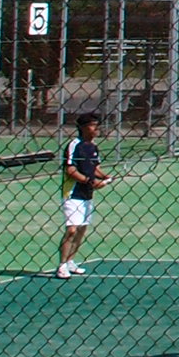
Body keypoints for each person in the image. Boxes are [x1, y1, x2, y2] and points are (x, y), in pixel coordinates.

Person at [54, 113, 110, 278]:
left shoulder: (93, 147)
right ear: (84, 127)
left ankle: (71, 261)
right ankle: (62, 265)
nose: (97, 128)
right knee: (71, 230)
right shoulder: (74, 145)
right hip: (72, 194)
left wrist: (104, 177)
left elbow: (95, 168)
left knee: (81, 230)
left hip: (87, 195)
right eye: (93, 125)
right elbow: (70, 170)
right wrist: (91, 182)